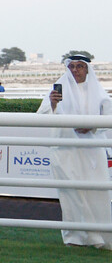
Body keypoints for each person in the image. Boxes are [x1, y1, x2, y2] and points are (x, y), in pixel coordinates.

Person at [37, 55, 112, 250]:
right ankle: (76, 236)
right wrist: (53, 104)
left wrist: (92, 127)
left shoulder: (98, 92)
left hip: (91, 151)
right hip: (65, 150)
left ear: (87, 70)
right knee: (71, 193)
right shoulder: (57, 89)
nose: (76, 70)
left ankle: (99, 234)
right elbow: (43, 115)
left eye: (80, 66)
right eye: (72, 66)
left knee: (94, 191)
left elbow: (108, 119)